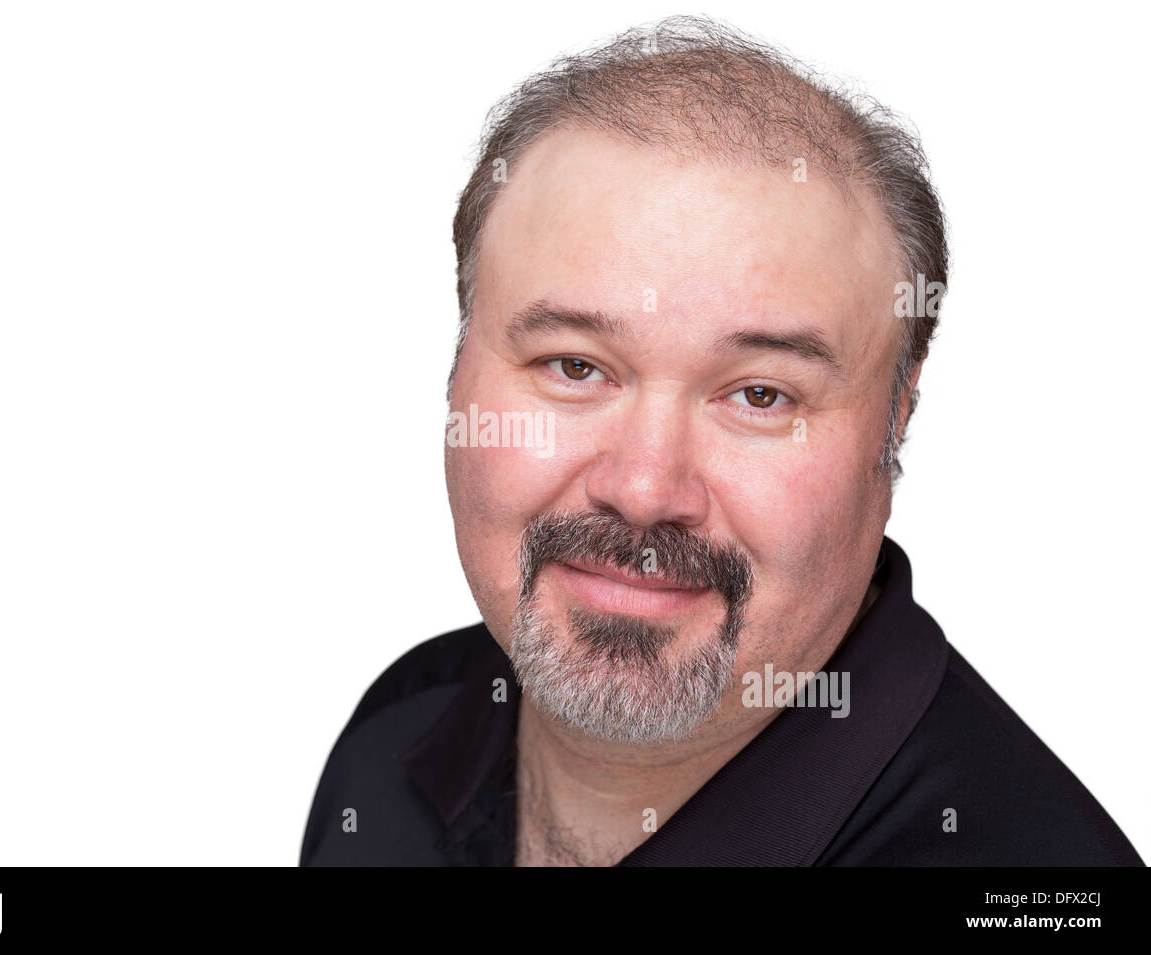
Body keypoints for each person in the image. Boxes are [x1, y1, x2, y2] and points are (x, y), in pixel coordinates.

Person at [301, 15, 1143, 866]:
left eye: (760, 395)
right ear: (457, 371)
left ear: (896, 422)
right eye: (575, 366)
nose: (644, 487)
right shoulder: (398, 733)